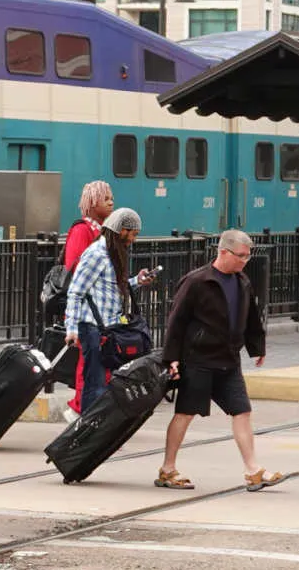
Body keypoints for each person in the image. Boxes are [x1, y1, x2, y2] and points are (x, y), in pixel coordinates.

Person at [156, 228, 283, 491]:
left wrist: (256, 346)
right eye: (241, 256)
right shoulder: (197, 281)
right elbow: (176, 322)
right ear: (223, 252)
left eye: (248, 257)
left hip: (228, 360)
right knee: (185, 413)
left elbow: (250, 317)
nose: (245, 261)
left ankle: (253, 470)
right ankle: (168, 469)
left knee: (242, 412)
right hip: (198, 359)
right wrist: (172, 358)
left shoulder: (242, 281)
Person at [63, 208, 155, 414]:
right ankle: (88, 430)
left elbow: (110, 288)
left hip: (107, 327)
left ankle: (95, 430)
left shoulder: (111, 253)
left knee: (104, 382)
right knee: (95, 383)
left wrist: (137, 282)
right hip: (91, 327)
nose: (134, 239)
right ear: (122, 230)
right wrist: (71, 329)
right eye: (133, 233)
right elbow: (76, 292)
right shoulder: (96, 254)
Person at [62, 181, 114, 415]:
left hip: (101, 311)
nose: (111, 202)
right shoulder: (82, 230)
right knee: (88, 365)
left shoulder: (104, 232)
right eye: (106, 199)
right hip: (86, 311)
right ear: (92, 203)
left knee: (99, 365)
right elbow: (75, 268)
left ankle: (88, 409)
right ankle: (80, 408)